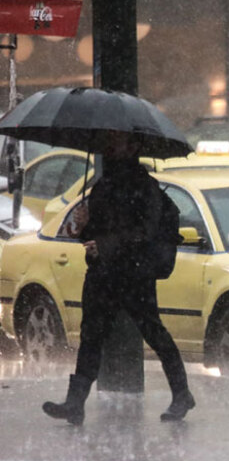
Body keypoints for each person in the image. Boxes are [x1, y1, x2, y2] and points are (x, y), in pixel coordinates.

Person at [42, 133, 195, 425]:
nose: (110, 146)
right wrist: (84, 227)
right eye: (108, 141)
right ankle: (75, 403)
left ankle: (182, 393)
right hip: (102, 274)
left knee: (154, 333)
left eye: (117, 141)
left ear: (133, 147)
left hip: (134, 275)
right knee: (91, 336)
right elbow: (94, 234)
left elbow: (145, 233)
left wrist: (106, 244)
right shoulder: (102, 185)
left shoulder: (146, 187)